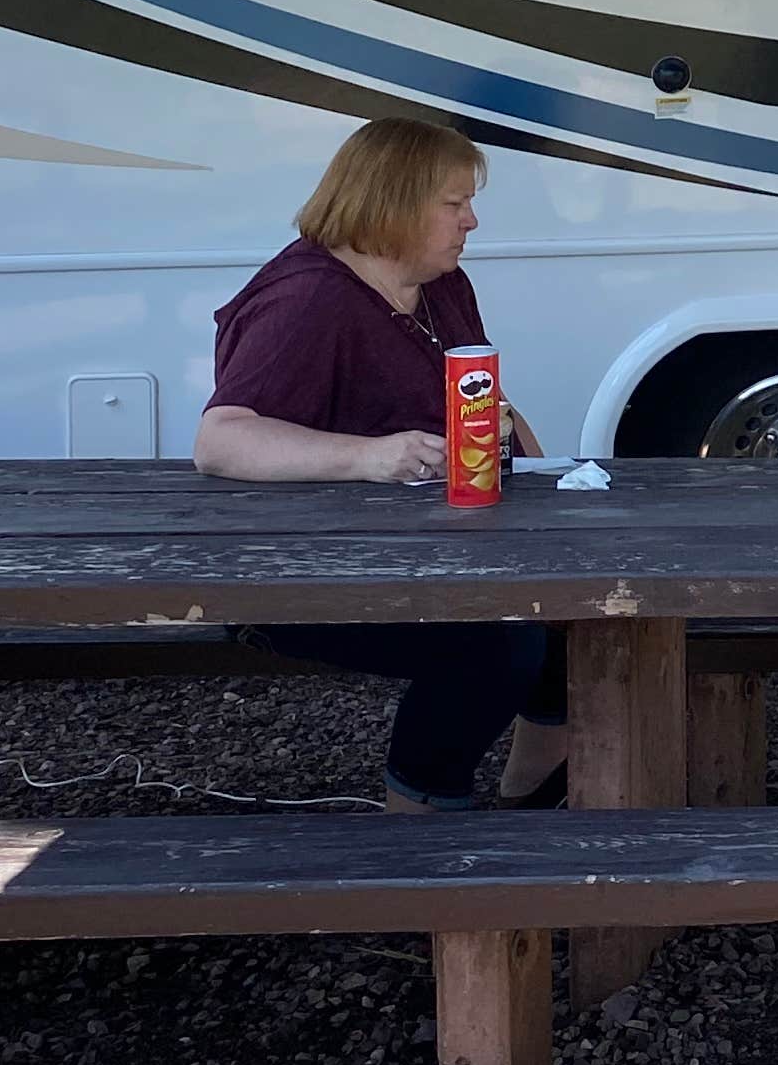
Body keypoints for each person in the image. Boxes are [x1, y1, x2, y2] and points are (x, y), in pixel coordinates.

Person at [198, 119, 570, 810]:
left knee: (581, 612)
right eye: (454, 205)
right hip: (300, 575)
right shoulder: (310, 298)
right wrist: (370, 457)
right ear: (393, 204)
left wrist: (538, 484)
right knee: (497, 647)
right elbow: (221, 440)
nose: (472, 221)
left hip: (418, 556)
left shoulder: (439, 285)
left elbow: (489, 407)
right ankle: (421, 827)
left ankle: (538, 797)